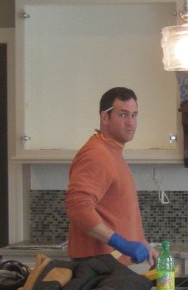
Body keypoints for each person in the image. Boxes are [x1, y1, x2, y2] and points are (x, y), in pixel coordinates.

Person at [64, 87, 153, 266]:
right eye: (123, 115)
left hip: (111, 266)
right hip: (98, 267)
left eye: (134, 115)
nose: (131, 122)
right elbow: (78, 207)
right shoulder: (97, 154)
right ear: (105, 117)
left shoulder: (112, 151)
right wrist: (120, 244)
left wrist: (143, 244)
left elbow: (116, 211)